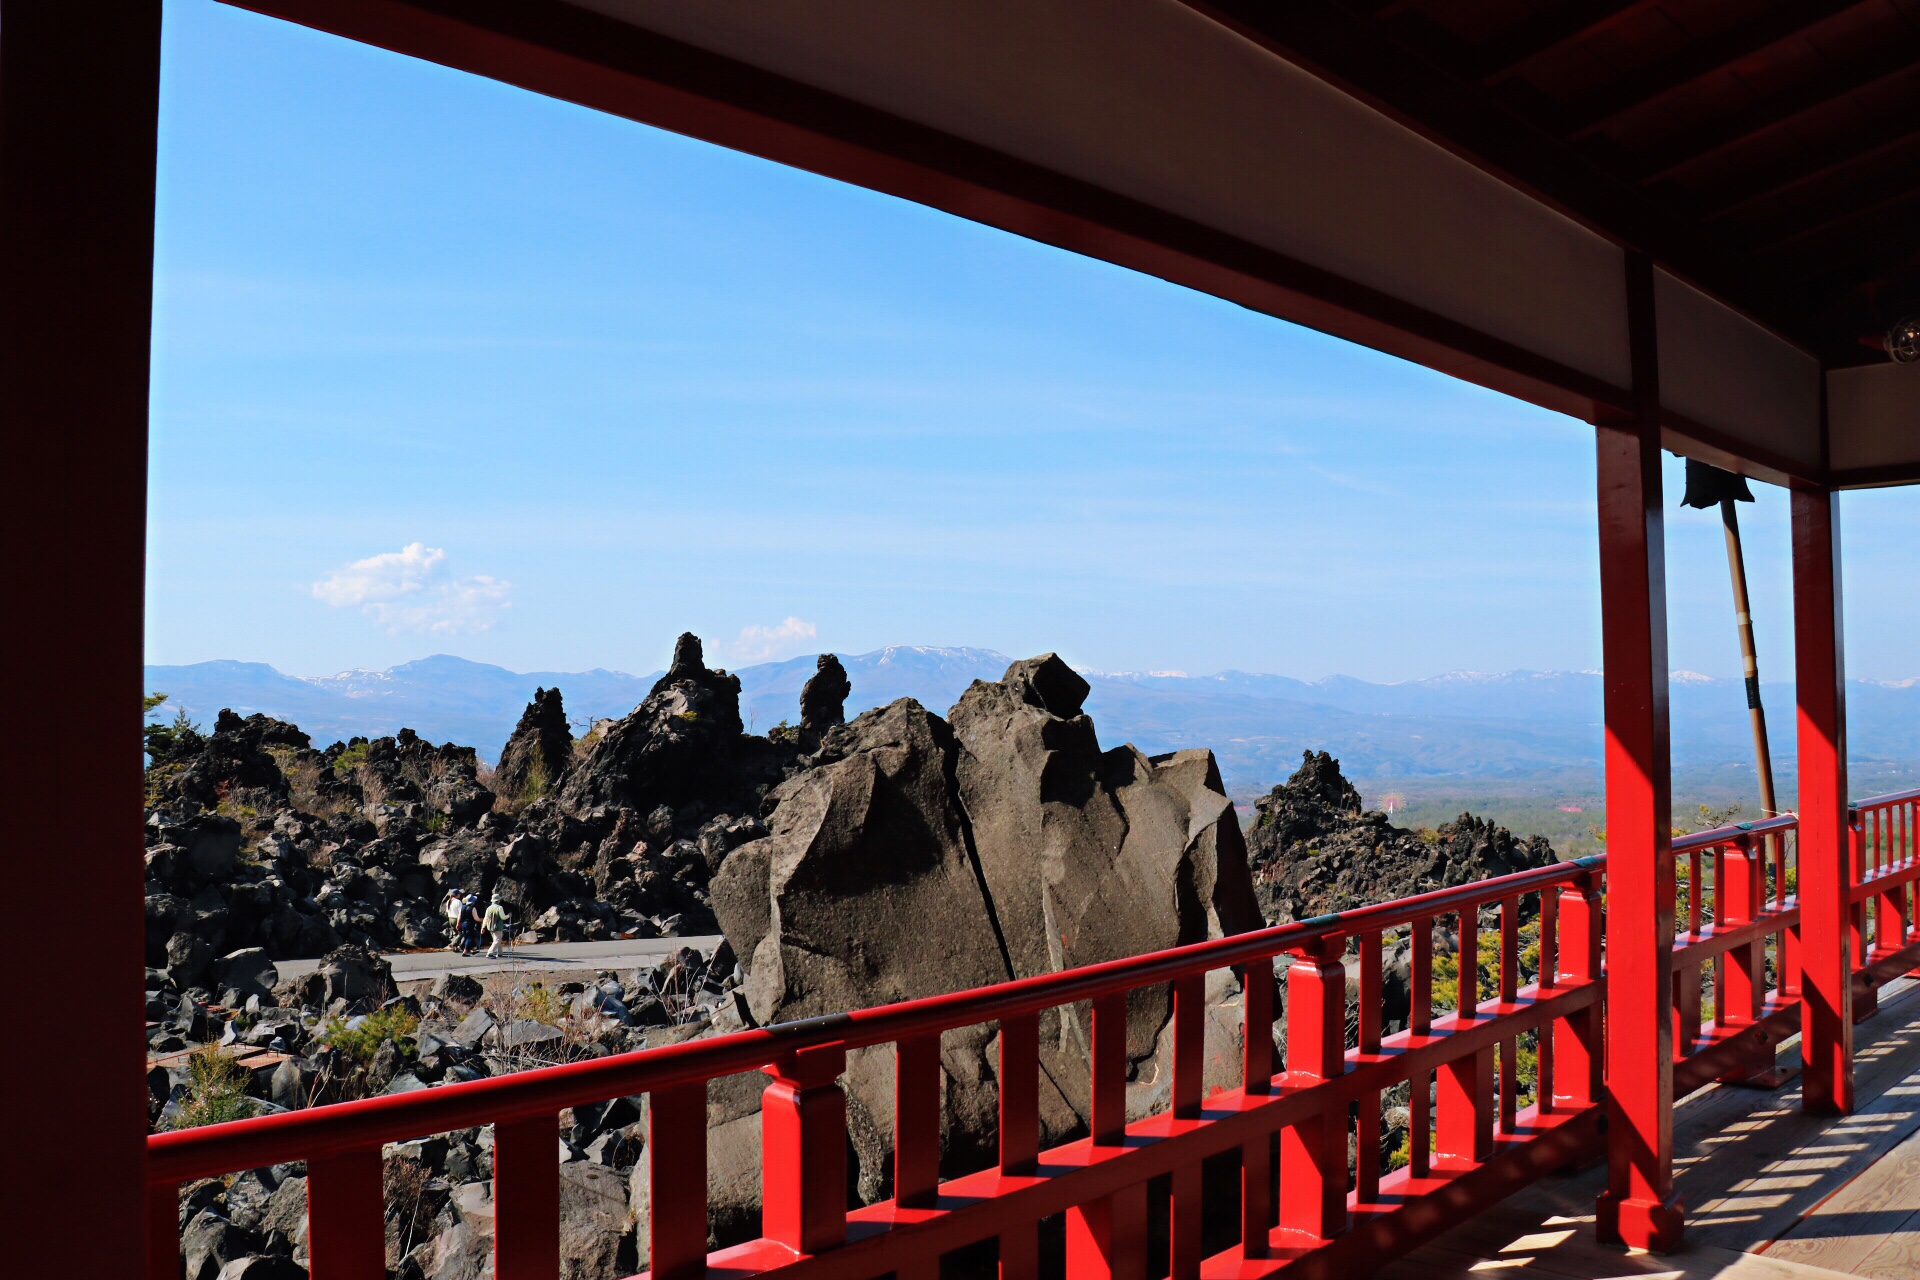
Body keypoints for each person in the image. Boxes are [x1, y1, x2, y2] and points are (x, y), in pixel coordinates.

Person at [483, 894, 510, 958]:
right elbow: (503, 917)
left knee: (497, 940)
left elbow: (485, 918)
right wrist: (509, 915)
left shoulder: (488, 908)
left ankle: (500, 953)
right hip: (498, 927)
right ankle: (490, 953)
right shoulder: (499, 907)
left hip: (490, 927)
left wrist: (483, 927)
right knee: (497, 940)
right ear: (498, 900)